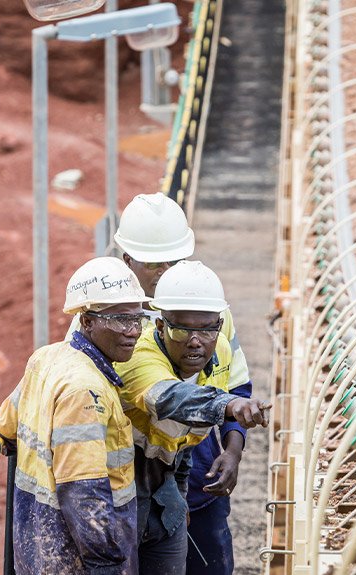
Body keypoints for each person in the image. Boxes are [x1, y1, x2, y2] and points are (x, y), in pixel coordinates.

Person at [0, 257, 152, 574]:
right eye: (119, 320)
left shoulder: (46, 358)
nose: (132, 332)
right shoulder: (85, 390)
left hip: (36, 544)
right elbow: (83, 493)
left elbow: (6, 422)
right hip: (74, 556)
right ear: (86, 322)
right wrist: (105, 564)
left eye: (137, 319)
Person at [112, 193, 253, 574]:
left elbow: (236, 387)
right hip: (127, 490)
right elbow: (163, 396)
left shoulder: (212, 313)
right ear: (128, 261)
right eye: (153, 264)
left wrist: (233, 451)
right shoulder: (106, 321)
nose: (164, 272)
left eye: (173, 261)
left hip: (198, 479)